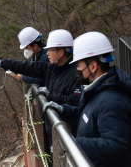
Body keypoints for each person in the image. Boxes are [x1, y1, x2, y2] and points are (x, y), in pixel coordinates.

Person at [0, 29, 81, 166]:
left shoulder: (76, 74)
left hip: (68, 134)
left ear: (60, 52)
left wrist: (50, 96)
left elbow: (75, 102)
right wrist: (3, 63)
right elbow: (28, 67)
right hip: (54, 131)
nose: (47, 53)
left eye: (51, 50)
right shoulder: (51, 68)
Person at [43, 32, 131, 167]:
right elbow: (89, 116)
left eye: (78, 65)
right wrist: (63, 109)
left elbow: (116, 146)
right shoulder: (97, 89)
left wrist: (73, 143)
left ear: (93, 66)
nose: (76, 70)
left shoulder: (111, 101)